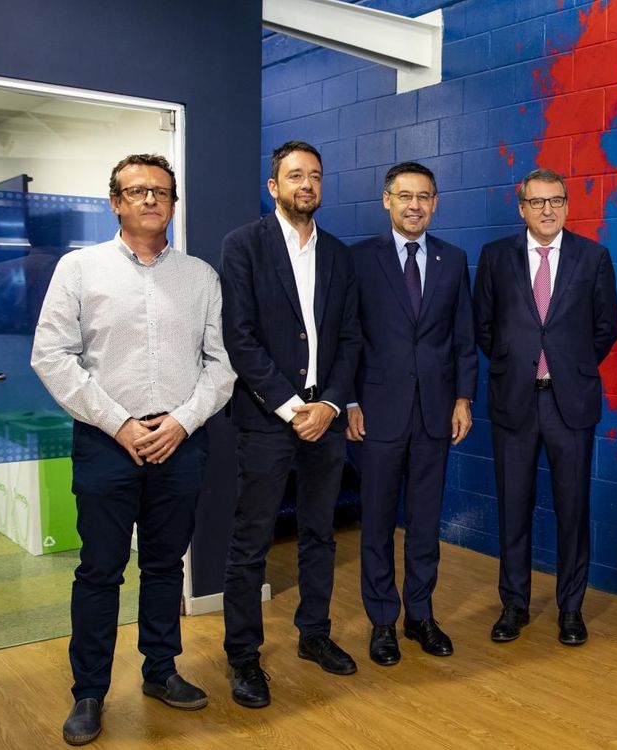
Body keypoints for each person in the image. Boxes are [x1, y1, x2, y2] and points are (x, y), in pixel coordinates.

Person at [31, 154, 235, 745]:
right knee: (100, 570)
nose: (150, 199)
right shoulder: (79, 269)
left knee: (165, 565)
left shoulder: (200, 277)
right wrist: (119, 423)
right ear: (115, 202)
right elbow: (51, 356)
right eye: (137, 191)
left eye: (161, 192)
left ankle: (160, 671)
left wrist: (183, 422)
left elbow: (220, 366)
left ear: (172, 203)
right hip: (105, 444)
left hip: (179, 445)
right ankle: (89, 692)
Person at [219, 140, 361, 708]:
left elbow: (350, 339)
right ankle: (243, 656)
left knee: (320, 533)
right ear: (274, 186)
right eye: (296, 175)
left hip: (325, 419)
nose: (308, 184)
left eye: (316, 176)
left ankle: (314, 634)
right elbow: (239, 337)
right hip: (266, 419)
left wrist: (330, 405)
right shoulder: (243, 246)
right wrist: (288, 405)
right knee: (251, 540)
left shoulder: (340, 255)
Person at [472, 167, 617, 646]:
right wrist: (515, 362)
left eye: (556, 200)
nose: (547, 209)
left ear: (567, 206)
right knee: (513, 506)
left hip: (569, 403)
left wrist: (569, 366)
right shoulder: (495, 257)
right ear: (522, 208)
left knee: (572, 510)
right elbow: (483, 325)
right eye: (537, 202)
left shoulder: (593, 257)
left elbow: (607, 327)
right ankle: (513, 605)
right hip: (513, 400)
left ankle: (570, 610)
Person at [346, 161, 476, 665]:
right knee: (378, 522)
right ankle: (383, 621)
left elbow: (463, 337)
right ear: (387, 200)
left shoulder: (453, 259)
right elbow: (347, 337)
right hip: (377, 412)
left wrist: (463, 399)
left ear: (435, 204)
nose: (414, 205)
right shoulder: (360, 259)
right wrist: (349, 401)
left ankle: (420, 615)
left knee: (425, 522)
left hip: (435, 414)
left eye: (424, 197)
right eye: (405, 196)